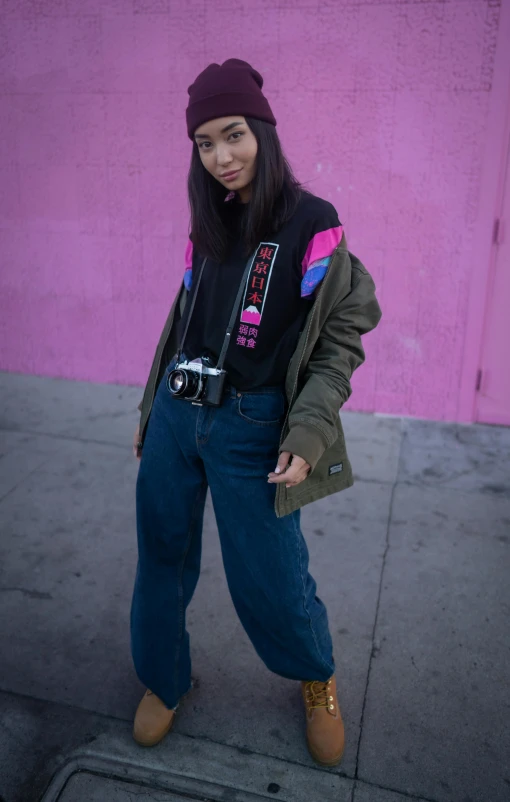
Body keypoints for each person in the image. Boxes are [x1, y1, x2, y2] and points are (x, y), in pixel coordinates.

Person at [130, 58, 382, 767]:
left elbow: (339, 340)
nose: (221, 157)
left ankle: (314, 674)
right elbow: (183, 319)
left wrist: (306, 432)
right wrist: (153, 415)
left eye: (233, 135)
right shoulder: (207, 215)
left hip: (252, 429)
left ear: (263, 131)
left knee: (271, 573)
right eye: (205, 142)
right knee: (161, 561)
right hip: (182, 417)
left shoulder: (313, 222)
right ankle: (162, 678)